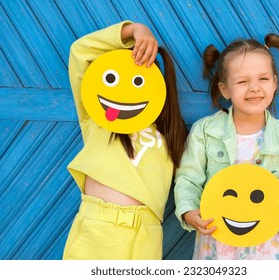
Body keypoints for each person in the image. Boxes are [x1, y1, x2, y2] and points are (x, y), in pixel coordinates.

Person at [174, 34, 279, 260]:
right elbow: (188, 179)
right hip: (215, 248)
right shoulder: (205, 132)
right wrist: (189, 213)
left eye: (263, 79)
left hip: (265, 248)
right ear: (225, 89)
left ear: (275, 83)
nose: (254, 88)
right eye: (242, 81)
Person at [63, 21, 187, 260]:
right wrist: (135, 30)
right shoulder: (98, 119)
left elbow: (191, 178)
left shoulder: (173, 135)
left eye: (137, 81)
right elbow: (81, 51)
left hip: (144, 237)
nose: (125, 91)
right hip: (96, 229)